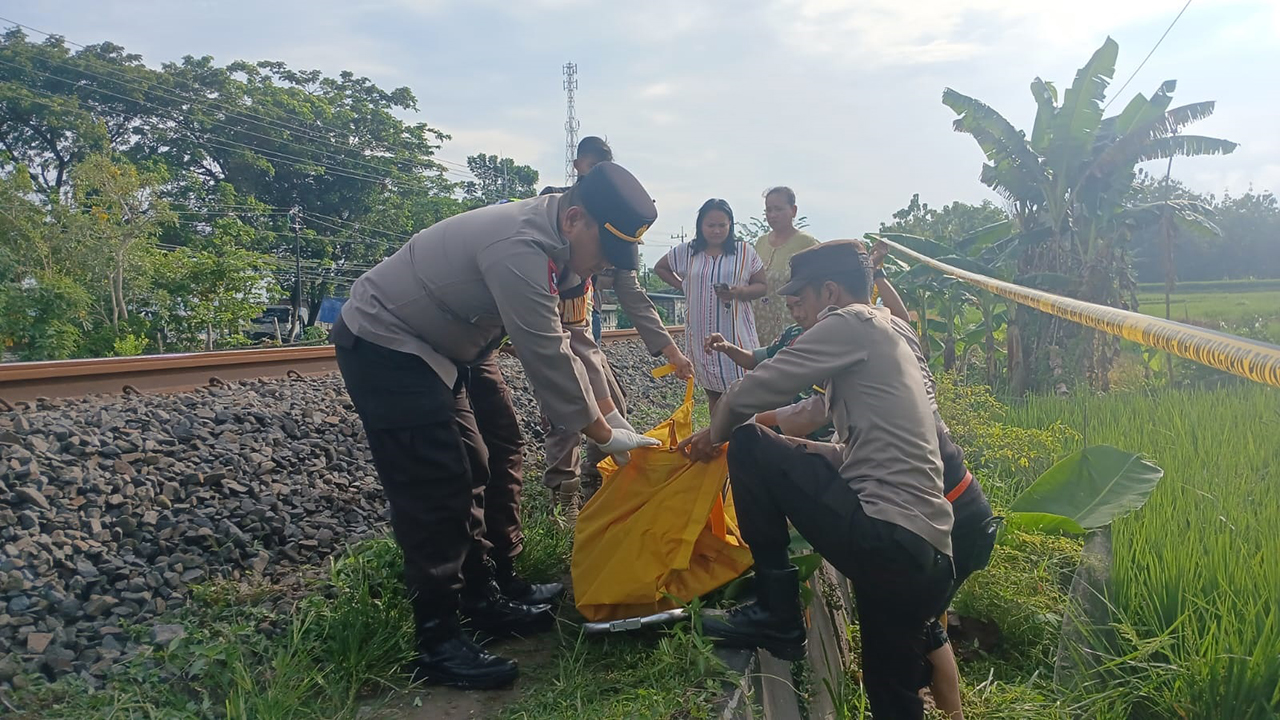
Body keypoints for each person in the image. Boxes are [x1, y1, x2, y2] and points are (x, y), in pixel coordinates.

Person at [331, 162, 664, 690]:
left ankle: (481, 598)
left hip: (449, 346)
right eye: (605, 251)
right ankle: (437, 642)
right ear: (575, 219)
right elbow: (544, 350)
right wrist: (601, 433)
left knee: (481, 458)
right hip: (388, 342)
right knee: (437, 483)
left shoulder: (564, 247)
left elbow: (570, 340)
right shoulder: (520, 247)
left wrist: (610, 413)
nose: (604, 266)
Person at [711, 240, 996, 718]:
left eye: (801, 299)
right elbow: (848, 446)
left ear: (830, 292)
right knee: (893, 699)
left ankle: (777, 613)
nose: (797, 310)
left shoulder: (849, 322)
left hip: (887, 536)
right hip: (927, 556)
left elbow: (748, 393)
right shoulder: (894, 331)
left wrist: (715, 435)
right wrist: (800, 447)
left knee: (747, 443)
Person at [533, 137, 694, 518]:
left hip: (584, 319)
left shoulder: (621, 221)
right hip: (547, 317)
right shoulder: (554, 207)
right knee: (566, 408)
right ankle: (564, 496)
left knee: (612, 403)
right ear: (578, 167)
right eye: (591, 169)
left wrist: (671, 351)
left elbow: (631, 292)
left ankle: (599, 479)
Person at [654, 198, 767, 413]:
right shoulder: (686, 251)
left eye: (722, 225)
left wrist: (739, 292)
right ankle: (717, 432)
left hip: (736, 334)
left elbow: (762, 286)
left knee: (742, 392)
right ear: (700, 226)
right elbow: (660, 267)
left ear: (730, 225)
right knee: (713, 394)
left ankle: (743, 431)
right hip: (701, 335)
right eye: (711, 225)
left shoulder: (744, 252)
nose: (716, 231)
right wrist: (684, 286)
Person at [752, 187, 818, 343]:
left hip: (792, 324)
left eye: (778, 209)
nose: (773, 215)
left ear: (793, 210)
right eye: (769, 210)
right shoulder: (760, 243)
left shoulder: (807, 243)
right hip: (758, 324)